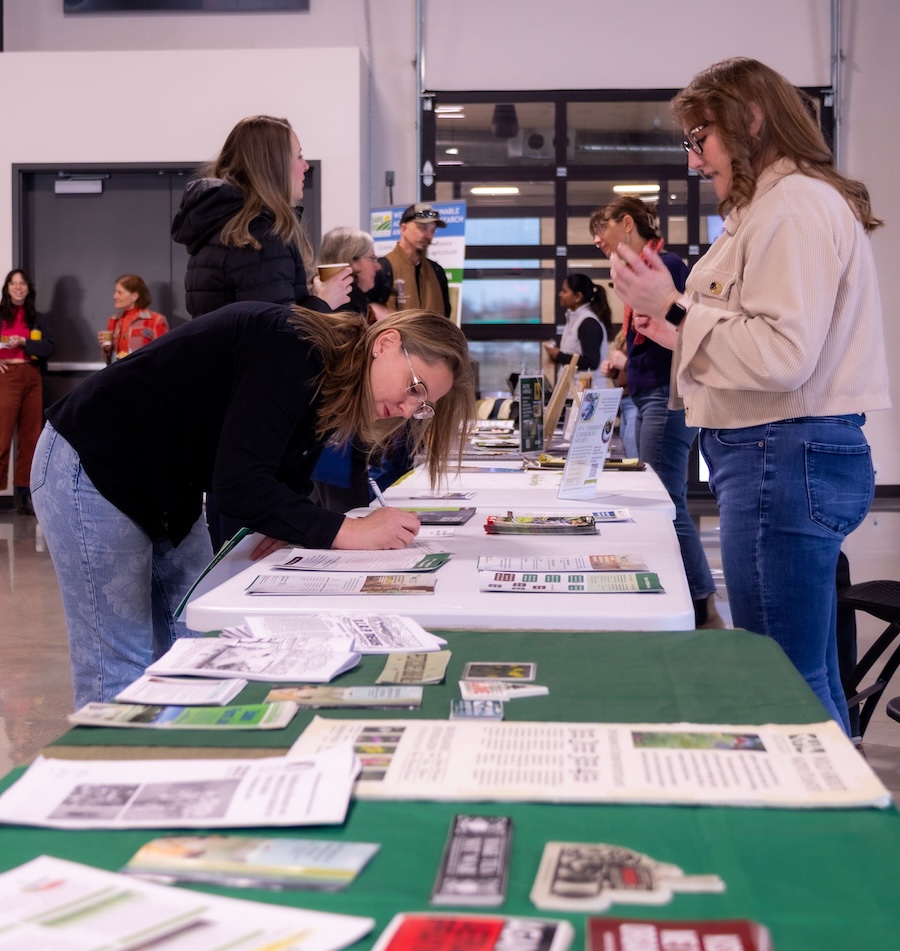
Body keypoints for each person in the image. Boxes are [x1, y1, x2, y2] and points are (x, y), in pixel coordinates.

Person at [608, 57, 890, 733]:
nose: (694, 160)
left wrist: (674, 309)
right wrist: (674, 325)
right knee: (808, 672)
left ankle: (820, 802)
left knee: (780, 679)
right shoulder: (776, 208)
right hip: (783, 453)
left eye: (699, 137)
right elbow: (756, 334)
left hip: (777, 454)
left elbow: (782, 355)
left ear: (751, 120)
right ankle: (840, 795)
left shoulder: (790, 210)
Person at [31, 302, 475, 708]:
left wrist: (288, 520)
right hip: (96, 462)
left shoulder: (335, 379)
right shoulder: (295, 347)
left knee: (198, 645)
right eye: (414, 388)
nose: (407, 409)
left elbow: (282, 473)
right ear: (386, 342)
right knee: (119, 665)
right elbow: (239, 485)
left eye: (422, 405)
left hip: (169, 485)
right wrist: (349, 531)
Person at [593, 198, 718, 628]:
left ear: (627, 224)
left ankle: (701, 603)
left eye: (603, 228)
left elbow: (683, 331)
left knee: (664, 501)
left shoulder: (665, 266)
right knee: (659, 499)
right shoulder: (643, 273)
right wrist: (624, 360)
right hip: (649, 394)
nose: (598, 239)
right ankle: (692, 598)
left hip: (667, 395)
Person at [171, 114, 352, 318]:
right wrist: (323, 302)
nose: (305, 166)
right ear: (274, 165)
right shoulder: (260, 237)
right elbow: (275, 331)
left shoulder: (225, 226)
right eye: (299, 156)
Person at [310, 226, 406, 512]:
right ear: (350, 262)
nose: (377, 266)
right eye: (371, 258)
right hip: (339, 436)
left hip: (339, 436)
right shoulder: (343, 311)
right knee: (346, 512)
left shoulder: (354, 305)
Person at [0, 269, 54, 516]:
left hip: (33, 376)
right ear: (7, 288)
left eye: (22, 283)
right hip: (6, 376)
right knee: (1, 438)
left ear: (28, 289)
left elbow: (48, 348)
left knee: (31, 438)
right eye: (14, 283)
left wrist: (24, 342)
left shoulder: (38, 318)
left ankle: (25, 495)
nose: (18, 287)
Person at [368, 203, 451, 317]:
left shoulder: (437, 272)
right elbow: (368, 315)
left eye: (433, 230)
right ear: (404, 229)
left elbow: (446, 315)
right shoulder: (382, 269)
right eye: (423, 228)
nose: (429, 236)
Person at [543, 273, 611, 373]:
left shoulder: (588, 323)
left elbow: (591, 362)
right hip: (573, 382)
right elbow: (574, 354)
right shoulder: (575, 319)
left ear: (578, 296)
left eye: (564, 291)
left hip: (586, 383)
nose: (560, 294)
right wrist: (557, 358)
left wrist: (558, 355)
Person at [97, 274, 168, 363]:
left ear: (134, 296)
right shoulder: (114, 321)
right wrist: (107, 349)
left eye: (119, 292)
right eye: (115, 292)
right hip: (119, 371)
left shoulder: (155, 320)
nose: (114, 296)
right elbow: (108, 362)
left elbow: (163, 354)